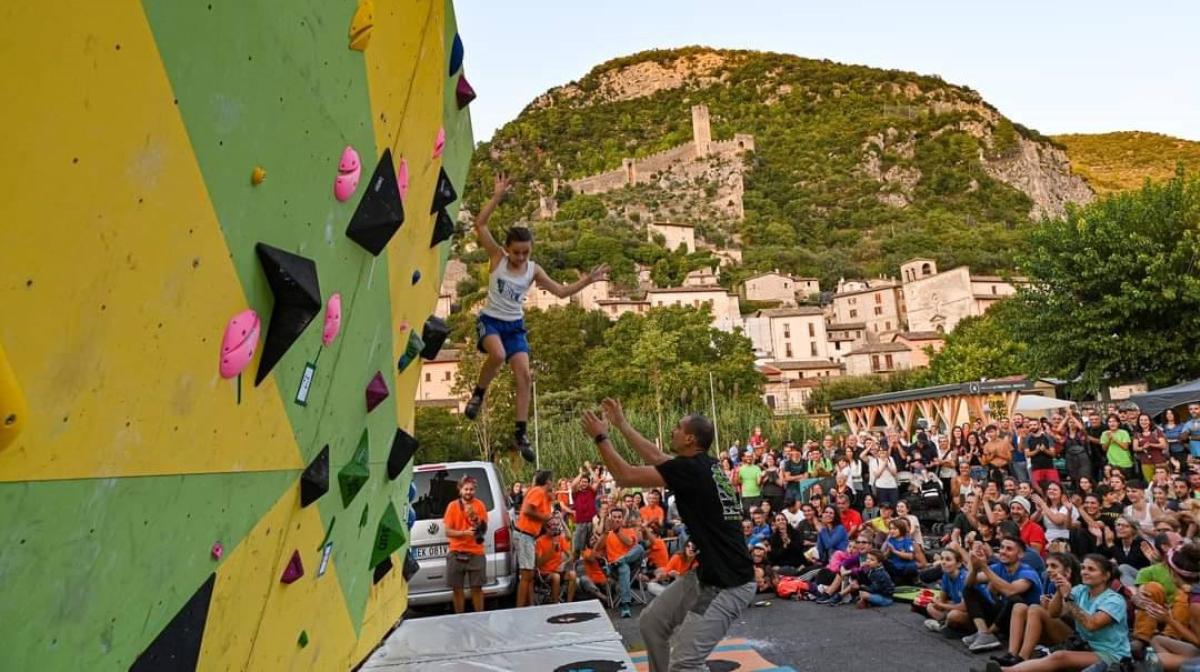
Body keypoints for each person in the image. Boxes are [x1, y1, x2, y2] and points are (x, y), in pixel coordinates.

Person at [581, 398, 755, 672]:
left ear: (689, 439)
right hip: (709, 575)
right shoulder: (704, 466)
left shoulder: (692, 471)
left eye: (677, 427)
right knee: (652, 624)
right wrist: (622, 425)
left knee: (685, 664)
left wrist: (601, 436)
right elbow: (657, 458)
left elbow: (624, 476)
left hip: (728, 585)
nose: (672, 431)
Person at [463, 174, 609, 462]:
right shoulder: (497, 259)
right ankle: (478, 394)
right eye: (516, 252)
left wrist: (589, 281)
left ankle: (520, 432)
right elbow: (479, 225)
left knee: (525, 376)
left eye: (525, 252)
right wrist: (496, 196)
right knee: (498, 354)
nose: (520, 257)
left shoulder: (533, 270)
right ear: (507, 250)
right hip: (491, 320)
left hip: (515, 325)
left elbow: (562, 292)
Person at [984, 555, 1130, 672]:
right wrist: (1060, 591)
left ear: (1105, 576)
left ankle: (1006, 670)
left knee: (1060, 657)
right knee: (1036, 609)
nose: (1084, 572)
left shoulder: (1114, 600)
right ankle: (1018, 660)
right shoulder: (1081, 590)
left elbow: (1092, 624)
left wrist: (1067, 597)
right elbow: (1053, 614)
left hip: (1110, 654)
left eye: (1091, 569)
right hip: (1083, 644)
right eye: (1083, 568)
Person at [986, 552, 1080, 668]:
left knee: (1035, 609)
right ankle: (1011, 654)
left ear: (1067, 571)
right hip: (1053, 627)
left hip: (1071, 637)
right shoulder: (1049, 581)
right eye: (1047, 566)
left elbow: (1070, 617)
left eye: (1054, 566)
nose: (1049, 570)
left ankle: (1023, 658)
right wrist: (1046, 605)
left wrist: (1052, 604)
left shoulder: (1076, 588)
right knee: (1019, 606)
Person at [964, 537, 1044, 653]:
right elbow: (969, 582)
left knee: (1015, 599)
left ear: (1020, 555)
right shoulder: (999, 567)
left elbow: (1010, 591)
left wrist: (984, 567)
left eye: (1009, 549)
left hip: (1025, 622)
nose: (1003, 551)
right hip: (1005, 617)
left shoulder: (1028, 572)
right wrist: (975, 567)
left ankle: (989, 634)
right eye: (1001, 547)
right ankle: (982, 632)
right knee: (969, 590)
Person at [442, 475, 489, 614]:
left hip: (476, 552)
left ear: (475, 490)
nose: (468, 492)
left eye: (471, 489)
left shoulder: (480, 505)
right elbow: (447, 531)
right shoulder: (452, 506)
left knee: (477, 588)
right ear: (460, 490)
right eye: (466, 489)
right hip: (456, 551)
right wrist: (464, 533)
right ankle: (459, 618)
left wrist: (475, 518)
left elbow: (483, 530)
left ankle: (479, 617)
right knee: (457, 589)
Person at [594, 505, 645, 617]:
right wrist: (606, 532)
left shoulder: (629, 530)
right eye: (614, 517)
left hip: (632, 566)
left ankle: (621, 560)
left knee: (639, 549)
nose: (617, 519)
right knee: (623, 568)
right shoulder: (607, 534)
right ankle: (625, 605)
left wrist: (617, 531)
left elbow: (629, 543)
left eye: (619, 517)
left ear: (622, 519)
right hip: (614, 569)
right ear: (610, 518)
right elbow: (596, 550)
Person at [515, 470, 554, 608]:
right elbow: (527, 510)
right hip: (524, 534)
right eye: (552, 480)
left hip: (529, 536)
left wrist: (545, 525)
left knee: (529, 575)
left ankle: (529, 605)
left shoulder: (542, 495)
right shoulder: (538, 491)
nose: (553, 483)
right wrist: (544, 518)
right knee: (526, 575)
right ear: (547, 481)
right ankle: (520, 609)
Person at [536, 517, 577, 604]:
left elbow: (571, 556)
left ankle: (569, 603)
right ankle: (555, 603)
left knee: (572, 574)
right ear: (546, 528)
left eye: (557, 525)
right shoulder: (539, 541)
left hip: (559, 570)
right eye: (553, 525)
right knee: (556, 577)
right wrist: (551, 550)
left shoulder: (560, 538)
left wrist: (564, 564)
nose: (555, 528)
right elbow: (538, 563)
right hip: (546, 573)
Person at [1101, 413, 1136, 481]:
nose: (1112, 423)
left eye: (1114, 421)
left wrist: (1114, 439)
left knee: (1127, 483)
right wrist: (1109, 440)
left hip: (1125, 463)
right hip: (1112, 463)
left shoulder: (1124, 432)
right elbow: (1104, 448)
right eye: (1110, 422)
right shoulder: (1104, 434)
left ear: (1118, 423)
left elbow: (1125, 447)